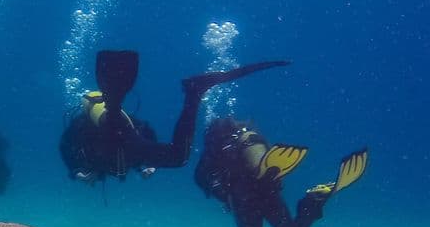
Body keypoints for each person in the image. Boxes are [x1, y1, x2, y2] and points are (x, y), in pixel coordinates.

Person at [59, 50, 290, 183]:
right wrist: (147, 165)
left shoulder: (79, 129)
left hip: (120, 140)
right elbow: (143, 129)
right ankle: (194, 92)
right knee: (177, 156)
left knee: (178, 157)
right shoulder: (83, 129)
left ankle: (194, 92)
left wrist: (77, 172)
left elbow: (67, 148)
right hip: (126, 140)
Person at [194, 117, 368, 227]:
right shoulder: (216, 154)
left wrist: (223, 193)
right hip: (266, 191)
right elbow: (202, 178)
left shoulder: (212, 155)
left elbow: (201, 177)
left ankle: (258, 161)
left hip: (247, 197)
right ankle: (312, 201)